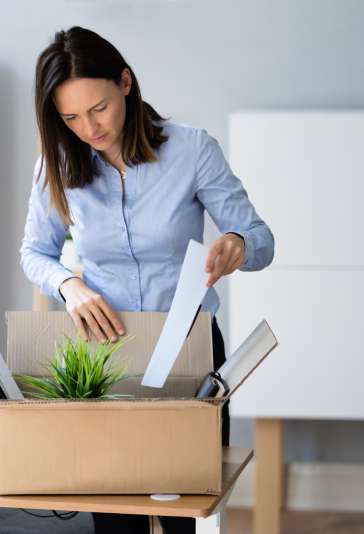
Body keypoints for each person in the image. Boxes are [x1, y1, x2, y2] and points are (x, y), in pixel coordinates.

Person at [20, 26, 274, 534]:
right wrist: (70, 286)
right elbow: (35, 253)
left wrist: (237, 245)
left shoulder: (193, 149)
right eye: (70, 117)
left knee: (185, 505)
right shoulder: (58, 162)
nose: (89, 128)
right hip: (103, 353)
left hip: (189, 347)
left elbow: (260, 238)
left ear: (126, 83)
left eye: (99, 108)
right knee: (114, 513)